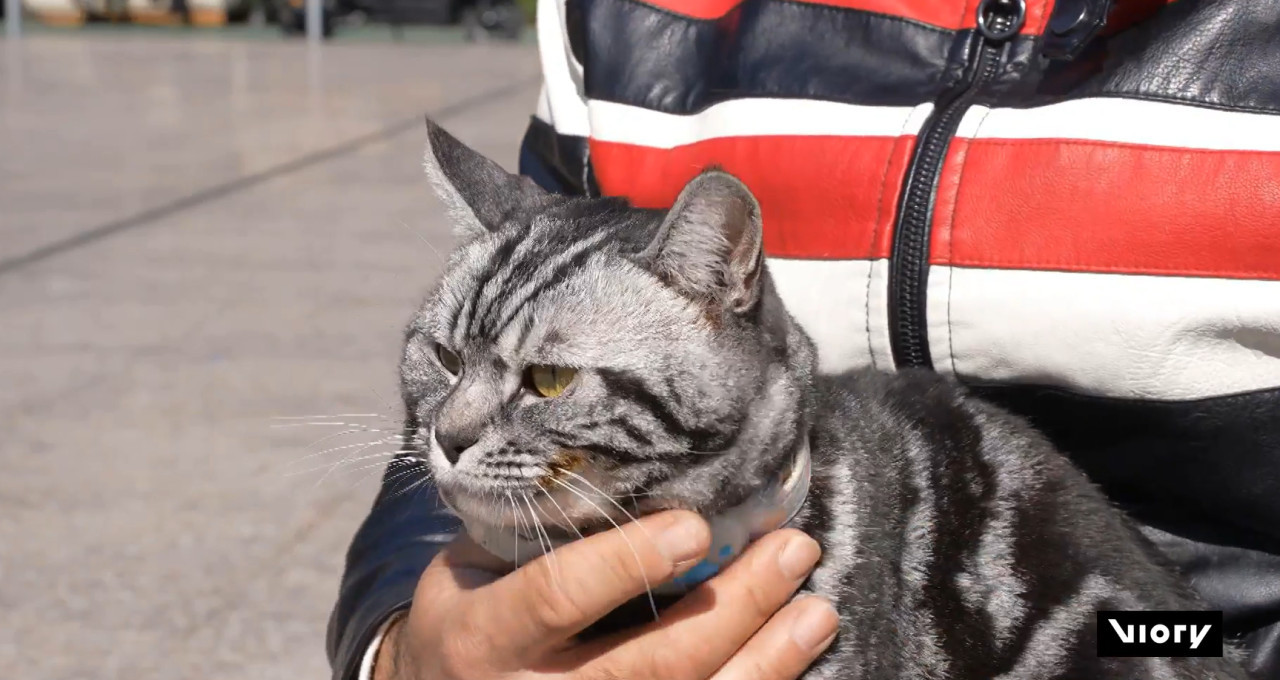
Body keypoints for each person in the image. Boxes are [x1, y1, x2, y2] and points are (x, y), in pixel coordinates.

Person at [327, 0, 1280, 678]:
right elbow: (469, 408)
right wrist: (412, 650)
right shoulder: (621, 14)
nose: (454, 421)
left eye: (543, 375)